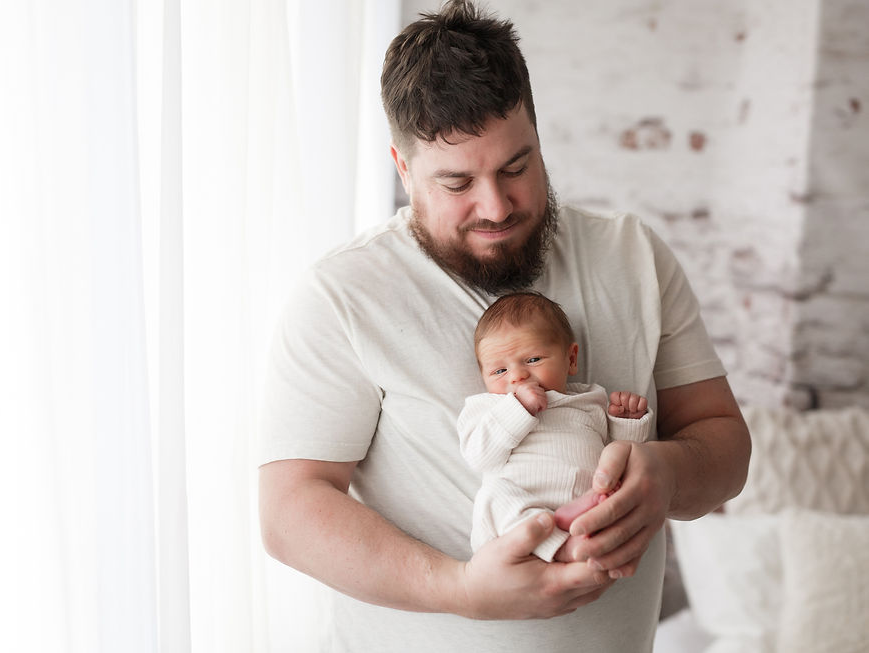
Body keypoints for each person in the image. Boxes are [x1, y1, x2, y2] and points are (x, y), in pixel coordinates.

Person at [259, 1, 750, 651]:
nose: (495, 205)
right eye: (457, 182)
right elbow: (290, 510)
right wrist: (459, 588)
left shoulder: (634, 257)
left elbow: (724, 442)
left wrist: (668, 474)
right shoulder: (342, 296)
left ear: (539, 137)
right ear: (403, 169)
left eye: (516, 167)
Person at [458, 291, 653, 564]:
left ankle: (579, 536)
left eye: (533, 360)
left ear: (571, 359)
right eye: (499, 371)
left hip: (585, 510)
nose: (517, 376)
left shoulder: (589, 400)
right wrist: (517, 409)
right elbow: (479, 456)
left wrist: (628, 423)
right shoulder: (488, 407)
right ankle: (559, 546)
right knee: (492, 497)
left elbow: (618, 455)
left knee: (615, 489)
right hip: (519, 523)